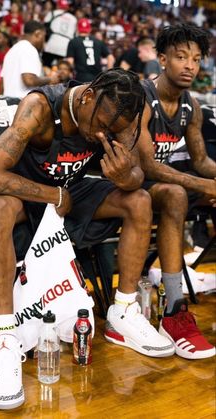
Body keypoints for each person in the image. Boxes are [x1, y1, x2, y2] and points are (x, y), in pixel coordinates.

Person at [0, 68, 174, 410]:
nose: (104, 134)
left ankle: (124, 312)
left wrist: (125, 177)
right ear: (86, 97)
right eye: (101, 124)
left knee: (139, 200)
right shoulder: (40, 109)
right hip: (31, 192)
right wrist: (52, 194)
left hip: (70, 191)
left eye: (113, 130)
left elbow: (138, 173)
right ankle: (7, 337)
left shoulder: (117, 114)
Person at [131, 23, 216, 360]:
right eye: (181, 57)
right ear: (162, 59)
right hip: (124, 184)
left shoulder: (190, 106)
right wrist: (202, 183)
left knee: (190, 193)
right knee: (177, 194)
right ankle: (174, 310)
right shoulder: (142, 98)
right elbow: (147, 166)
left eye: (196, 59)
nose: (190, 66)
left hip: (161, 183)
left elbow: (201, 161)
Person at [1, 20, 60, 98]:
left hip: (9, 103)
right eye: (44, 37)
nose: (44, 42)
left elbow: (1, 83)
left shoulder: (12, 50)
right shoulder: (29, 49)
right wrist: (50, 79)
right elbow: (29, 80)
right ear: (37, 34)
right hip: (22, 103)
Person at [67, 18, 115, 82]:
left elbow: (70, 61)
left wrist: (71, 74)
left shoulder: (73, 42)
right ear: (89, 29)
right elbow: (111, 58)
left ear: (77, 29)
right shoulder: (98, 41)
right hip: (97, 79)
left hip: (80, 78)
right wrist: (108, 75)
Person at [42, 0, 77, 68]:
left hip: (52, 44)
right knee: (61, 70)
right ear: (67, 7)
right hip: (65, 47)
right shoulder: (73, 18)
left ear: (57, 5)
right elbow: (74, 35)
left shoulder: (52, 13)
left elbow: (44, 28)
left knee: (46, 67)